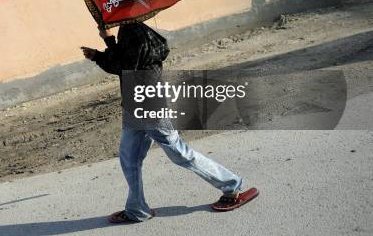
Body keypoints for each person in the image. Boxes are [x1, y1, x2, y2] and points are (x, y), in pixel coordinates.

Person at [81, 21, 258, 223]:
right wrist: (103, 51)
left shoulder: (132, 31)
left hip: (149, 104)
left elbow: (125, 67)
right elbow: (127, 60)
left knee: (179, 153)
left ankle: (232, 186)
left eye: (111, 2)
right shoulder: (135, 29)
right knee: (129, 157)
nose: (108, 8)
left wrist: (106, 43)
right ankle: (137, 209)